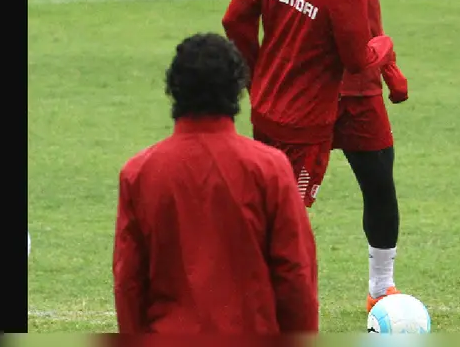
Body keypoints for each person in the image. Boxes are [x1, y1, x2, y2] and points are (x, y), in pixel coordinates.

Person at [272, 0, 408, 313]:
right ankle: (270, 286)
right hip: (313, 91)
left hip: (362, 85)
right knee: (290, 197)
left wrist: (387, 67)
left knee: (380, 182)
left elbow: (369, 10)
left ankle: (381, 287)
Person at [112, 33, 320, 333]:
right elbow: (295, 274)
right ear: (237, 88)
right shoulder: (270, 169)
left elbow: (129, 281)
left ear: (174, 89)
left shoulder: (139, 173)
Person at [223, 0, 394, 220]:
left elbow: (234, 19)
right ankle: (263, 270)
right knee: (288, 217)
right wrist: (384, 47)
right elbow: (357, 61)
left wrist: (257, 74)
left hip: (265, 111)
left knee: (266, 202)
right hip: (307, 125)